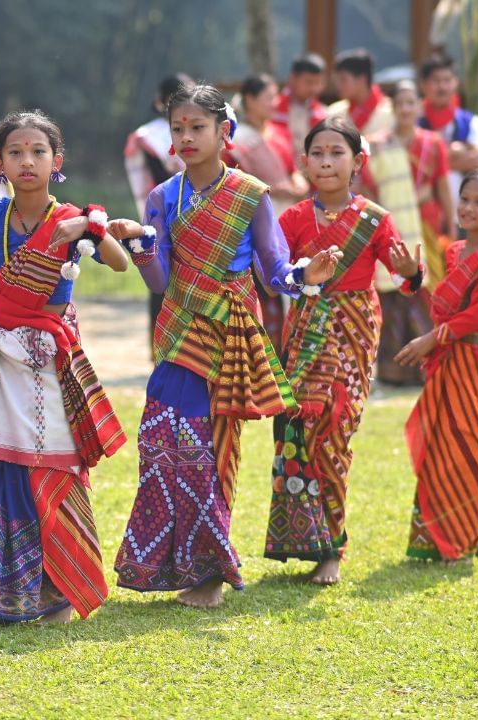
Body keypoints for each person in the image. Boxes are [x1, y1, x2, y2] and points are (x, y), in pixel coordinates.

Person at [110, 84, 341, 608]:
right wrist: (144, 248)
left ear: (224, 132)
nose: (187, 137)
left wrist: (308, 275)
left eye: (198, 127)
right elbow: (161, 283)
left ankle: (210, 576)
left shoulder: (251, 194)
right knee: (162, 440)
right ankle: (171, 563)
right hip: (178, 330)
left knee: (215, 448)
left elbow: (274, 270)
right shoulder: (162, 197)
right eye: (179, 128)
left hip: (229, 333)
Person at [0, 110, 129, 625]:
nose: (27, 161)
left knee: (53, 466)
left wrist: (94, 226)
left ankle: (57, 593)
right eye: (15, 152)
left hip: (51, 361)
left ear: (57, 162)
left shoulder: (72, 217)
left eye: (38, 151)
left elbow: (121, 262)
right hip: (0, 358)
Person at [264, 116, 422, 585]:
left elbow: (403, 282)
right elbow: (274, 277)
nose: (327, 161)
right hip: (306, 331)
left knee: (336, 428)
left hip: (355, 330)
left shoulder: (375, 219)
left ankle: (332, 546)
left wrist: (412, 274)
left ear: (358, 162)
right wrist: (300, 275)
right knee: (300, 425)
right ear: (304, 162)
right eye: (318, 153)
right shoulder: (291, 219)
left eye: (337, 153)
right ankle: (303, 539)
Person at [395, 167, 478, 562]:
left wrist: (432, 339)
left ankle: (467, 536)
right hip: (451, 361)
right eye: (464, 198)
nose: (468, 208)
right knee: (442, 442)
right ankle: (463, 533)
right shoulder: (453, 251)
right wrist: (413, 278)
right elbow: (445, 301)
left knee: (470, 443)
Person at [362, 80, 449, 386]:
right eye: (400, 104)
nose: (406, 109)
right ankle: (393, 368)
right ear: (393, 108)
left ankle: (426, 365)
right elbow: (367, 185)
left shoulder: (432, 142)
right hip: (389, 223)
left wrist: (449, 223)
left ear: (420, 106)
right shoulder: (378, 144)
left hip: (424, 225)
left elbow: (440, 186)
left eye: (411, 103)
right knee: (391, 294)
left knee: (424, 292)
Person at [125, 74, 192, 349]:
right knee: (160, 276)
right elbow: (160, 176)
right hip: (165, 212)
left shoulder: (199, 129)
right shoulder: (149, 136)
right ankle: (160, 344)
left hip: (193, 208)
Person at [417, 53, 478, 229]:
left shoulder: (472, 122)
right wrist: (456, 154)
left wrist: (434, 159)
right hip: (421, 218)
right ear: (423, 85)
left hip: (464, 217)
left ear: (456, 83)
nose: (442, 86)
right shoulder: (413, 122)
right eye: (436, 81)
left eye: (447, 80)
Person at [231, 73, 306, 212]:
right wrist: (270, 189)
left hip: (286, 209)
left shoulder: (281, 133)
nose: (276, 102)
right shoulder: (236, 139)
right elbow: (231, 181)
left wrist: (299, 182)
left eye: (276, 96)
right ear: (250, 100)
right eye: (269, 98)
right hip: (252, 212)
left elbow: (292, 170)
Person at [272, 53, 328, 167]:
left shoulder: (323, 113)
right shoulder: (273, 108)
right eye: (308, 82)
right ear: (293, 79)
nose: (313, 88)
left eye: (317, 83)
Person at [327, 48, 393, 137]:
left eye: (343, 79)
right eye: (336, 79)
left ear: (362, 79)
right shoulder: (334, 112)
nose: (337, 85)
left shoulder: (390, 112)